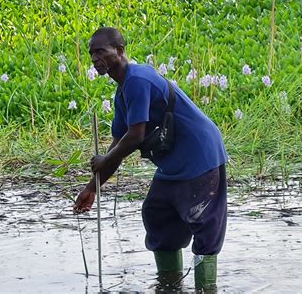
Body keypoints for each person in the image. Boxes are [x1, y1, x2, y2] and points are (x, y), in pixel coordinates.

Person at [74, 27, 228, 291]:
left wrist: (104, 160)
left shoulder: (138, 79)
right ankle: (170, 286)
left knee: (203, 222)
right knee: (158, 215)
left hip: (199, 155)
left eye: (100, 51)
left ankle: (205, 288)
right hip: (172, 164)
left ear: (119, 51)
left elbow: (135, 137)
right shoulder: (123, 91)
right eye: (91, 53)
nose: (94, 58)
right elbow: (118, 144)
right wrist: (92, 188)